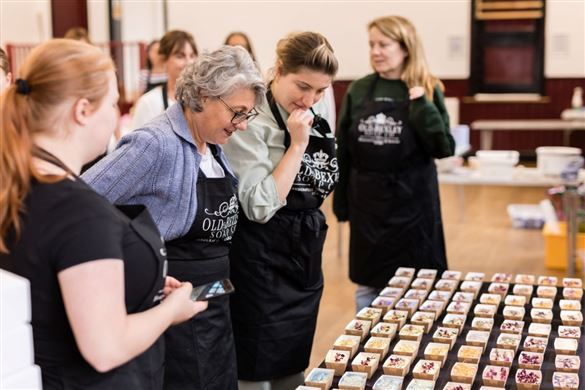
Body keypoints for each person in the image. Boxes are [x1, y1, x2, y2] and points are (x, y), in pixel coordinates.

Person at [0, 39, 206, 389]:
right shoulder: (79, 210)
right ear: (83, 110)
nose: (115, 116)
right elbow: (105, 347)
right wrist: (172, 311)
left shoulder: (17, 182)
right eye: (112, 103)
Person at [82, 45, 265, 390]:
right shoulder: (155, 144)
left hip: (214, 303)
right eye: (236, 113)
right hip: (174, 316)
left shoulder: (211, 146)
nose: (241, 125)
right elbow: (79, 201)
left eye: (247, 115)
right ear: (201, 96)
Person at [223, 31, 339, 389]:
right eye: (302, 87)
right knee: (255, 368)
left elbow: (326, 175)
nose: (310, 100)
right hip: (259, 257)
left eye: (320, 91)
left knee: (293, 362)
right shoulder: (250, 119)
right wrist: (297, 146)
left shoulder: (314, 107)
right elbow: (258, 205)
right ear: (279, 70)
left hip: (302, 253)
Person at [333, 15, 455, 311]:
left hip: (414, 205)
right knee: (368, 283)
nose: (375, 51)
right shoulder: (360, 89)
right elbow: (344, 149)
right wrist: (341, 201)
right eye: (372, 44)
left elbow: (443, 147)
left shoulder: (427, 87)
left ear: (405, 48)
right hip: (368, 205)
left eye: (383, 44)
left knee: (420, 285)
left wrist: (422, 107)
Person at [131, 30, 197, 129]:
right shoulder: (149, 103)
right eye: (180, 56)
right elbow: (135, 143)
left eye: (192, 56)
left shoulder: (203, 101)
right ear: (164, 61)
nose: (189, 62)